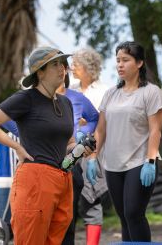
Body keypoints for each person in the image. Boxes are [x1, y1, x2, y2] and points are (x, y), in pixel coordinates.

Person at [0, 47, 77, 244]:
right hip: (35, 179)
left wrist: (81, 150)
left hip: (64, 177)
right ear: (40, 72)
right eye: (55, 64)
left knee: (55, 240)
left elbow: (69, 143)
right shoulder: (26, 99)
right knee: (31, 239)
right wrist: (17, 148)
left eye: (63, 64)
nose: (62, 69)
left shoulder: (66, 103)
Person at [87, 41, 162, 242]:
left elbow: (155, 130)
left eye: (125, 60)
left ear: (139, 63)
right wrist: (92, 157)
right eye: (118, 61)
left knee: (133, 213)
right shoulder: (110, 94)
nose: (120, 65)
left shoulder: (151, 92)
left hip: (140, 162)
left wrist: (150, 161)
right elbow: (101, 130)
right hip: (112, 164)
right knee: (123, 217)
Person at [63, 47, 108, 245]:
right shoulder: (69, 90)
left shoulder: (102, 92)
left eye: (76, 64)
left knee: (91, 199)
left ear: (88, 68)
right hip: (70, 152)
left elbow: (100, 123)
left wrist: (93, 156)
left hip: (93, 152)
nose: (72, 68)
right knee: (68, 200)